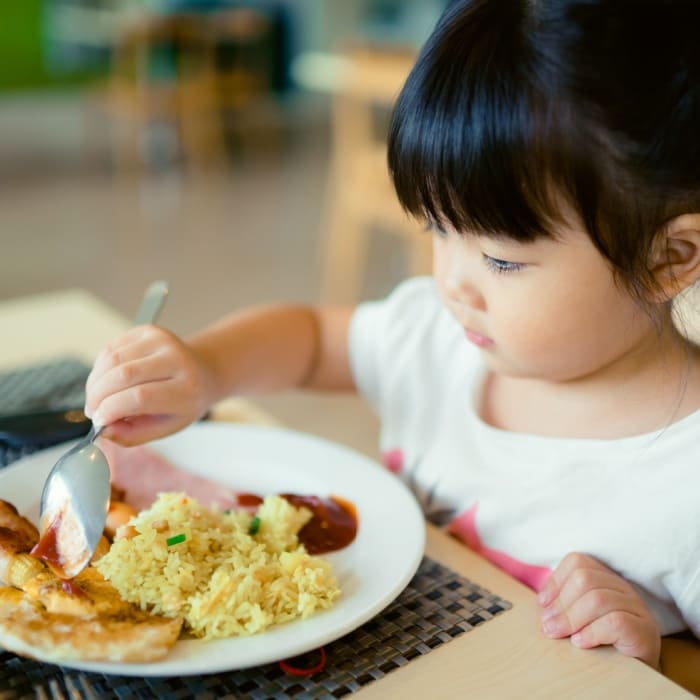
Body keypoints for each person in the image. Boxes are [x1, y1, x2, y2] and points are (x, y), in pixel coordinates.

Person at [84, 0, 700, 672]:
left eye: (501, 259)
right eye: (437, 230)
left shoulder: (681, 489)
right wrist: (206, 369)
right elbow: (315, 339)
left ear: (671, 259)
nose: (453, 282)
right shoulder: (438, 339)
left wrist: (658, 657)